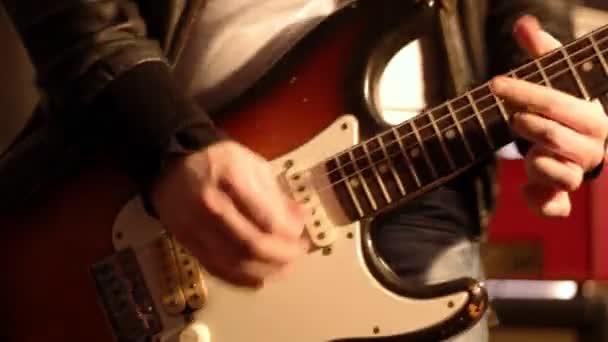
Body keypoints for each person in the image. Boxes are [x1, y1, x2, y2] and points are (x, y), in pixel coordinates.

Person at [0, 0, 606, 341]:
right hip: (134, 179)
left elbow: (523, 11)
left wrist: (561, 100)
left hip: (423, 188)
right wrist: (166, 142)